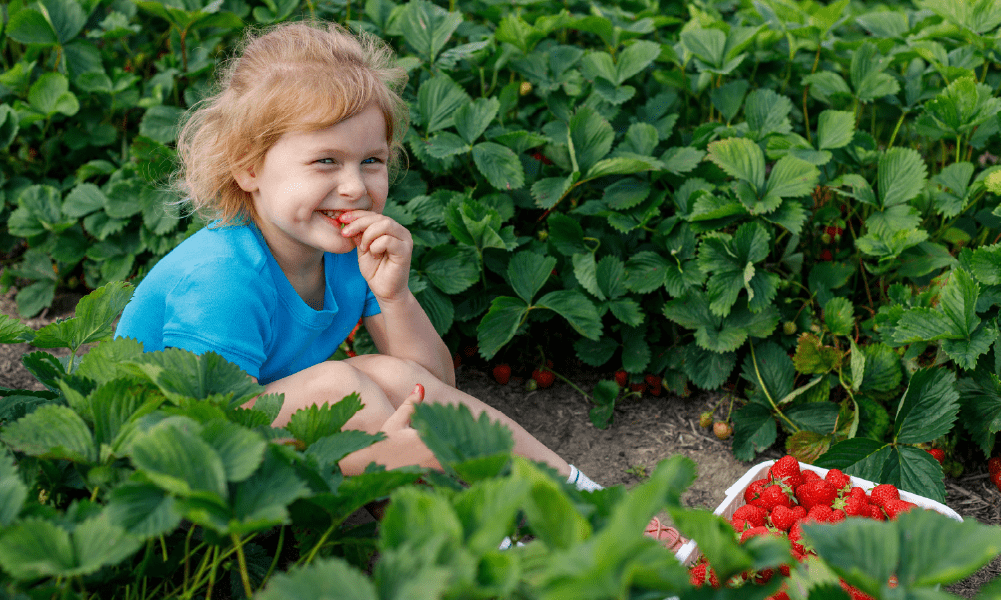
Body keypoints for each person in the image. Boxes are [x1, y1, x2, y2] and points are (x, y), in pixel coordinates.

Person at [114, 21, 683, 550]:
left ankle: (596, 507)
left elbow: (432, 385)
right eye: (325, 161)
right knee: (343, 384)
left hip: (267, 448)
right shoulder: (221, 280)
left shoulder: (341, 253)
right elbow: (204, 438)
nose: (354, 187)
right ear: (249, 169)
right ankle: (490, 558)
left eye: (372, 161)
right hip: (161, 480)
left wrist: (394, 295)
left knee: (383, 377)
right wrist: (380, 454)